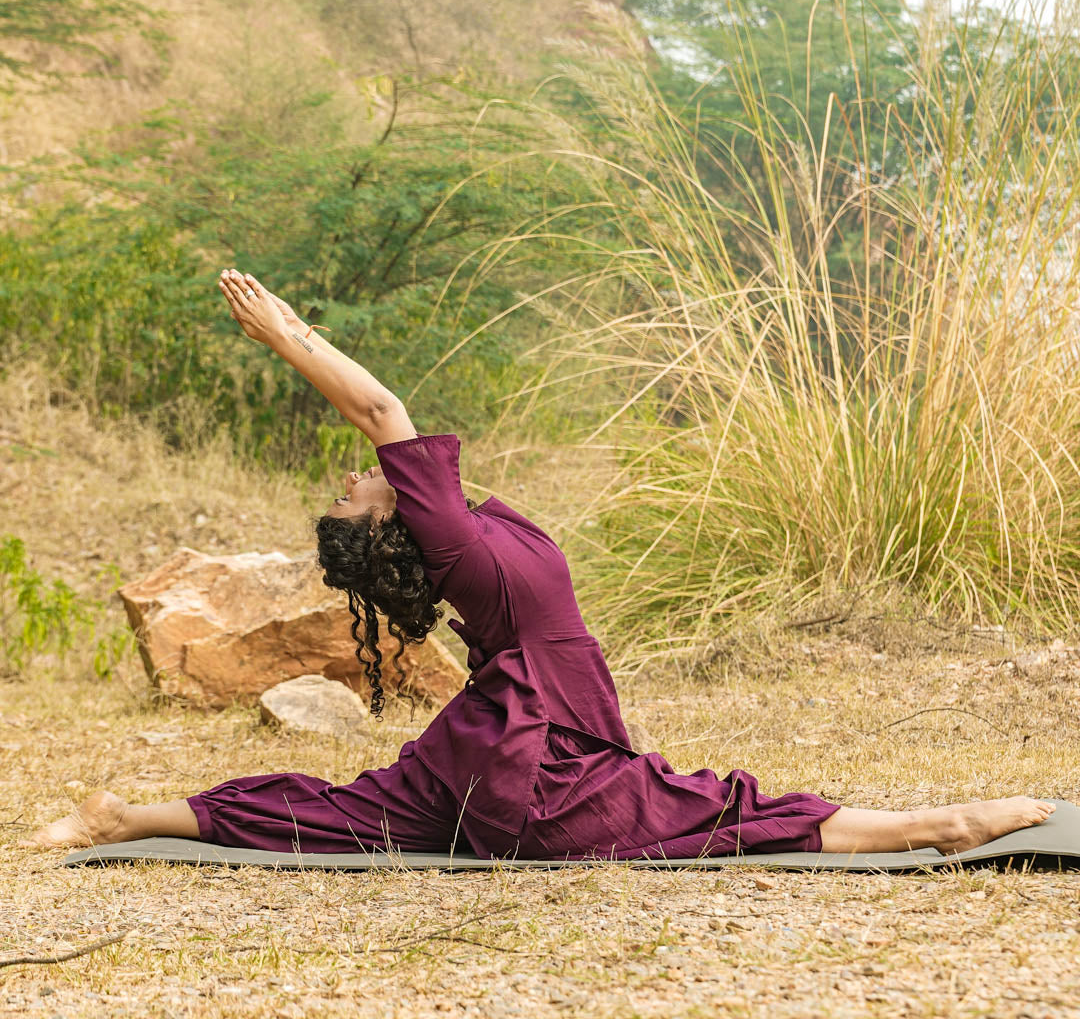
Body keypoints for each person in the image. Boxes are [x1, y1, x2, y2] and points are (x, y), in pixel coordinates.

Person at [24, 270, 1056, 859]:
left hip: (502, 735)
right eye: (355, 490)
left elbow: (390, 436)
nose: (358, 475)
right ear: (396, 524)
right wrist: (283, 330)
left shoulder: (464, 533)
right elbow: (381, 412)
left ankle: (126, 816)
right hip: (531, 756)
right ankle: (938, 822)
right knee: (709, 812)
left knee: (342, 811)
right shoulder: (452, 539)